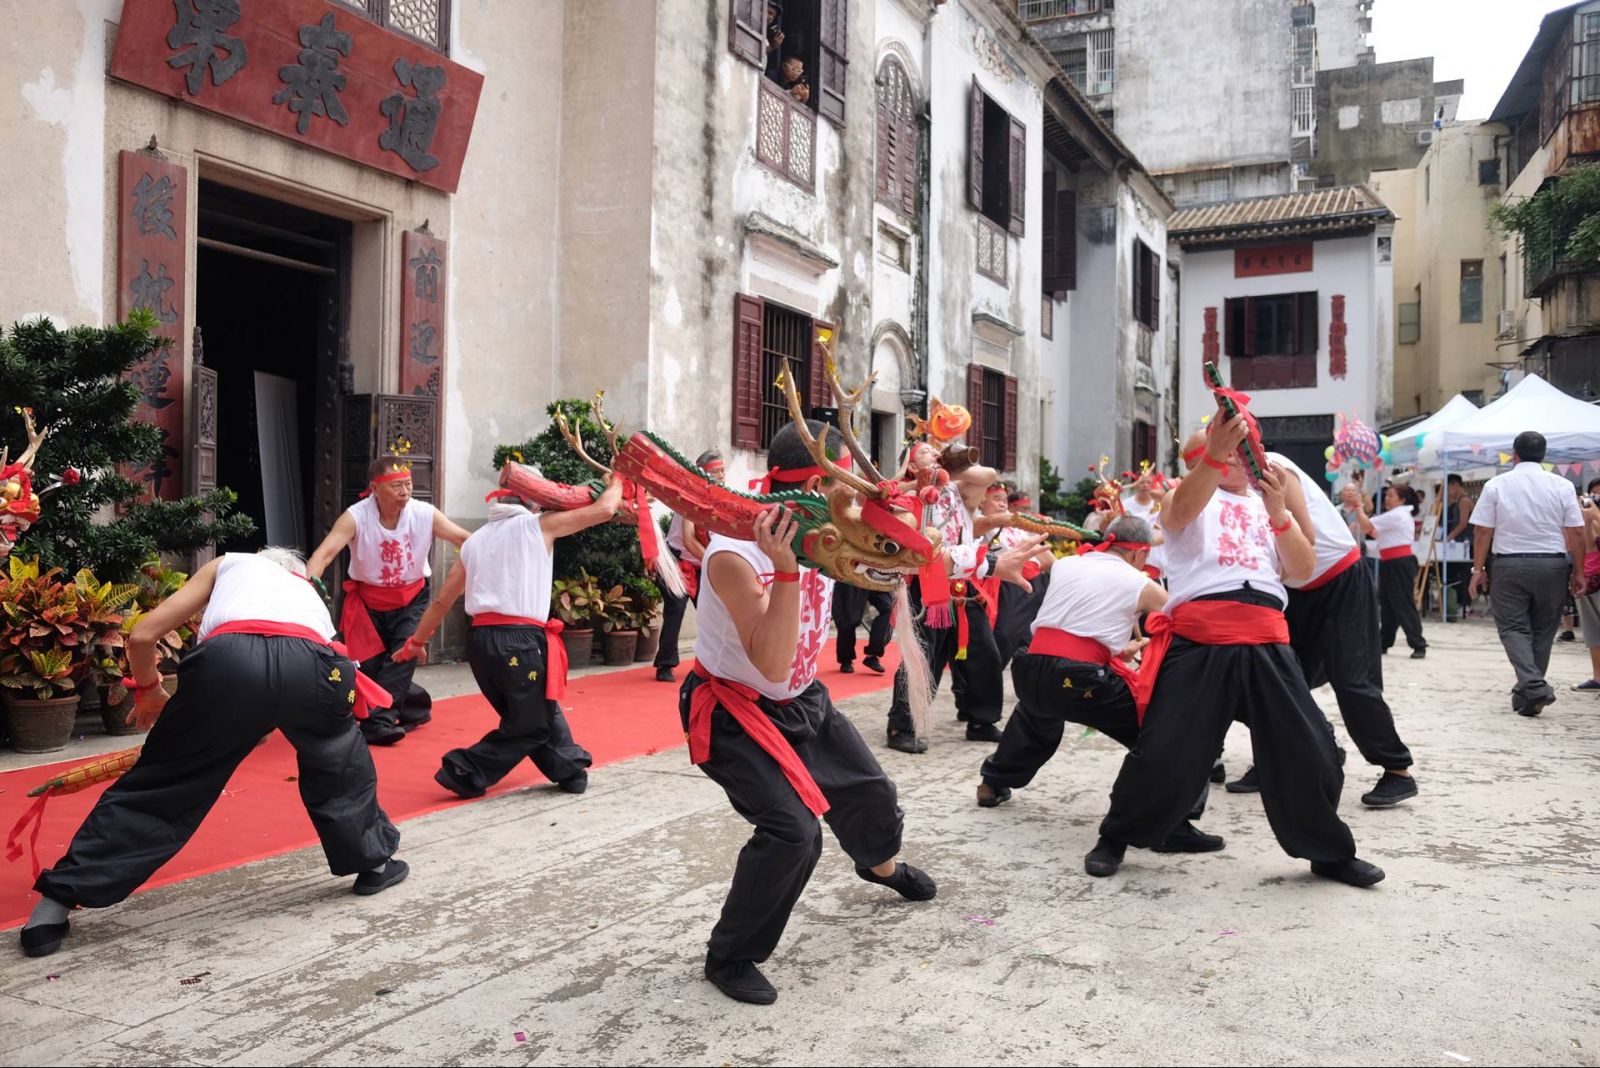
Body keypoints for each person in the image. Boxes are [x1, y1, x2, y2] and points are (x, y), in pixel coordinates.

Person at [20, 549, 408, 958]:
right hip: (317, 666)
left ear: (262, 560)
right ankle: (374, 865)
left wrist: (151, 689)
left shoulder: (229, 563)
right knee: (340, 765)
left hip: (227, 664)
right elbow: (293, 668)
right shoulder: (305, 589)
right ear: (294, 573)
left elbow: (142, 636)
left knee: (162, 785)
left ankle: (54, 907)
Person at [681, 420, 938, 1005]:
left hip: (802, 697)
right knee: (793, 833)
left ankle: (879, 865)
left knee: (870, 789)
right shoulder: (734, 552)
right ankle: (730, 956)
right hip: (734, 711)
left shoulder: (828, 524)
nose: (853, 498)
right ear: (812, 484)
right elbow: (769, 663)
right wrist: (790, 569)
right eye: (841, 484)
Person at [1084, 414, 1384, 887]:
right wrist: (1215, 453)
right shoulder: (1187, 495)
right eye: (1225, 450)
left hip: (1266, 635)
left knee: (1313, 750)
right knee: (1165, 751)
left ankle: (1329, 853)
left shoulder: (1270, 505)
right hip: (1202, 636)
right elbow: (1179, 514)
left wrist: (1281, 510)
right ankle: (1116, 835)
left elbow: (1302, 568)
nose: (1238, 459)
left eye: (1246, 448)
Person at [976, 515, 1223, 850]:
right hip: (1079, 678)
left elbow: (1073, 627)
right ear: (1139, 554)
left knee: (1036, 714)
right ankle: (1169, 823)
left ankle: (993, 782)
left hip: (1030, 670)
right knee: (1161, 738)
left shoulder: (1068, 565)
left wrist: (1118, 651)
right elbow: (1187, 620)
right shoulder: (1142, 584)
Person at [398, 469, 625, 798]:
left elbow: (443, 600)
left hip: (480, 643)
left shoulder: (475, 541)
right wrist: (618, 479)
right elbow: (604, 510)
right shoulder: (538, 525)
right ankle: (466, 769)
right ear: (535, 501)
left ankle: (569, 769)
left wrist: (417, 641)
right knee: (529, 722)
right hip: (518, 642)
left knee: (534, 711)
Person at [1227, 453, 1419, 808]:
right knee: (1268, 676)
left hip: (1340, 580)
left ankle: (1397, 770)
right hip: (1297, 591)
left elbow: (1306, 540)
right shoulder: (1220, 490)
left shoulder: (1273, 469)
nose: (1211, 462)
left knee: (1352, 681)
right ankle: (1295, 751)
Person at [307, 456, 470, 746]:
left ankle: (378, 722)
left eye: (408, 484)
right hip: (368, 601)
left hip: (412, 597)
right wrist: (307, 585)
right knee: (369, 669)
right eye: (396, 486)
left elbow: (461, 537)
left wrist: (495, 550)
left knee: (403, 653)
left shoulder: (424, 513)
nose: (405, 492)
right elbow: (325, 554)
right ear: (374, 488)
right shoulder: (356, 516)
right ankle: (415, 705)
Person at [886, 445, 1010, 752]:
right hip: (926, 582)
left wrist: (949, 468)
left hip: (961, 582)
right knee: (922, 657)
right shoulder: (905, 496)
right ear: (911, 465)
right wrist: (919, 480)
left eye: (934, 450)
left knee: (983, 653)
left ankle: (981, 720)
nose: (934, 452)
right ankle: (901, 725)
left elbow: (989, 474)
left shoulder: (959, 491)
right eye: (925, 451)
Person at [1468, 431, 1588, 717]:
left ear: (1514, 454)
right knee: (1544, 628)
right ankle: (1529, 693)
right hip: (1552, 565)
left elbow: (1483, 530)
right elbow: (1575, 532)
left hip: (1509, 564)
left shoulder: (1497, 484)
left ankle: (1532, 685)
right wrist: (1579, 571)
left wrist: (1478, 569)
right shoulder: (1562, 485)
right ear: (1544, 455)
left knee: (1512, 628)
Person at [656, 450, 725, 683]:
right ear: (703, 473)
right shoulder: (691, 497)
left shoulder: (722, 498)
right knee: (675, 610)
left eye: (722, 471)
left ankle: (713, 665)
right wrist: (715, 562)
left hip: (702, 560)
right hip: (678, 560)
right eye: (716, 472)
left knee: (712, 613)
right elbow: (689, 539)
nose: (721, 476)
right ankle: (664, 665)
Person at [1356, 483, 1428, 660]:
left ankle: (1418, 643)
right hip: (1391, 561)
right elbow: (1374, 531)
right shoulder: (1395, 515)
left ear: (1402, 500)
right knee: (1388, 603)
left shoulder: (1397, 514)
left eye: (1391, 496)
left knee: (1403, 603)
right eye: (1387, 495)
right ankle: (1384, 641)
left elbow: (1367, 526)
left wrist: (1359, 508)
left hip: (1399, 562)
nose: (1387, 499)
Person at [1571, 478, 1600, 691]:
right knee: (1592, 630)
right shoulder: (1590, 517)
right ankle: (1598, 677)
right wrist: (1589, 520)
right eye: (1594, 493)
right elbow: (1589, 545)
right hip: (1590, 577)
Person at [832, 582, 892, 675]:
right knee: (848, 618)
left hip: (876, 574)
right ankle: (846, 659)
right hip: (852, 575)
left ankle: (873, 654)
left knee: (889, 609)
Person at [1444, 474, 1476, 616]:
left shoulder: (1464, 501)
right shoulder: (1457, 501)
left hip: (1466, 543)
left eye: (1448, 488)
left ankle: (1466, 604)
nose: (1448, 491)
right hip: (1461, 543)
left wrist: (1450, 536)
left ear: (1455, 485)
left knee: (1465, 574)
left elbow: (1463, 524)